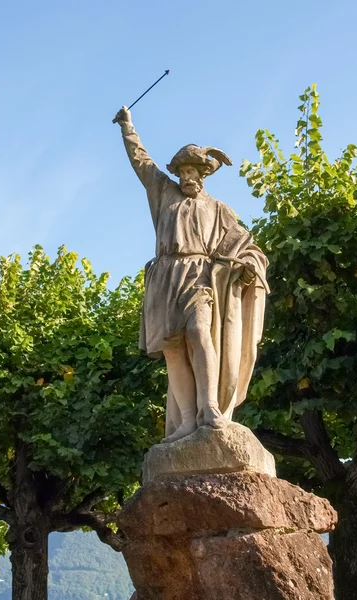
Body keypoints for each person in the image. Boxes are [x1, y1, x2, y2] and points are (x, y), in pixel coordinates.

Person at [114, 106, 269, 443]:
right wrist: (128, 127)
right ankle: (187, 421)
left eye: (190, 171)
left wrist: (245, 267)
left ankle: (210, 407)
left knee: (200, 333)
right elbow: (141, 162)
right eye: (181, 171)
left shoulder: (219, 210)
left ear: (203, 174)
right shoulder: (163, 193)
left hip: (201, 276)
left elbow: (246, 246)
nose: (185, 177)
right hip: (164, 276)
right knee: (173, 349)